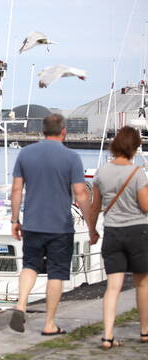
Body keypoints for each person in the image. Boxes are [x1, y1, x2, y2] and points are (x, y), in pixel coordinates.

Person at [9, 113, 98, 334]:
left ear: (43, 131)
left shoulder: (25, 154)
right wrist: (91, 225)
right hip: (60, 226)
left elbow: (16, 190)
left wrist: (14, 220)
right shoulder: (71, 158)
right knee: (56, 273)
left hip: (32, 223)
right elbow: (81, 195)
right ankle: (49, 324)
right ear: (64, 131)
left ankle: (21, 304)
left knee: (30, 265)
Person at [91, 126, 148, 350]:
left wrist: (92, 231)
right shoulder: (137, 172)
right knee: (142, 284)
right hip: (137, 232)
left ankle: (107, 336)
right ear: (134, 148)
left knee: (113, 286)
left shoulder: (101, 172)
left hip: (112, 232)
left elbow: (95, 207)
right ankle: (145, 332)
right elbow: (145, 205)